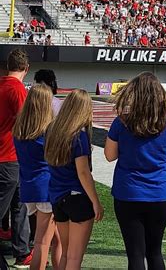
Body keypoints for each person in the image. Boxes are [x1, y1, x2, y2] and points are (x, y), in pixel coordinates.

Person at [104, 73, 166, 270]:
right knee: (154, 252)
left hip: (128, 193)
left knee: (135, 254)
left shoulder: (121, 122)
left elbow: (109, 155)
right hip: (159, 193)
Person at [44, 90, 104, 270]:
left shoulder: (51, 130)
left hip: (57, 196)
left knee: (66, 253)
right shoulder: (79, 135)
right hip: (77, 197)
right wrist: (96, 202)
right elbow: (83, 172)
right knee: (74, 258)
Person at [12, 84, 62, 269]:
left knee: (57, 239)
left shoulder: (20, 129)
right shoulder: (46, 131)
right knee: (42, 241)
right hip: (46, 189)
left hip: (29, 187)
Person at [0, 48, 32, 266]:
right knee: (16, 205)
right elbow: (26, 123)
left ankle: (22, 251)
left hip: (8, 156)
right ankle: (21, 250)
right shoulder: (17, 89)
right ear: (26, 68)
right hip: (10, 156)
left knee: (20, 204)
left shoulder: (2, 85)